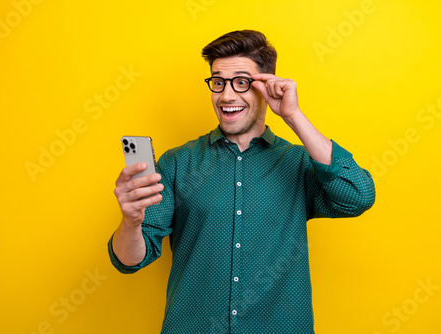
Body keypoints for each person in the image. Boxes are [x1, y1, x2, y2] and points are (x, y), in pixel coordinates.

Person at [108, 30, 376, 333]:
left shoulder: (298, 163)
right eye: (218, 82)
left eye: (242, 82)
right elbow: (129, 261)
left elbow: (357, 196)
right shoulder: (177, 163)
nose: (226, 96)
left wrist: (293, 116)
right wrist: (130, 222)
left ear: (267, 86)